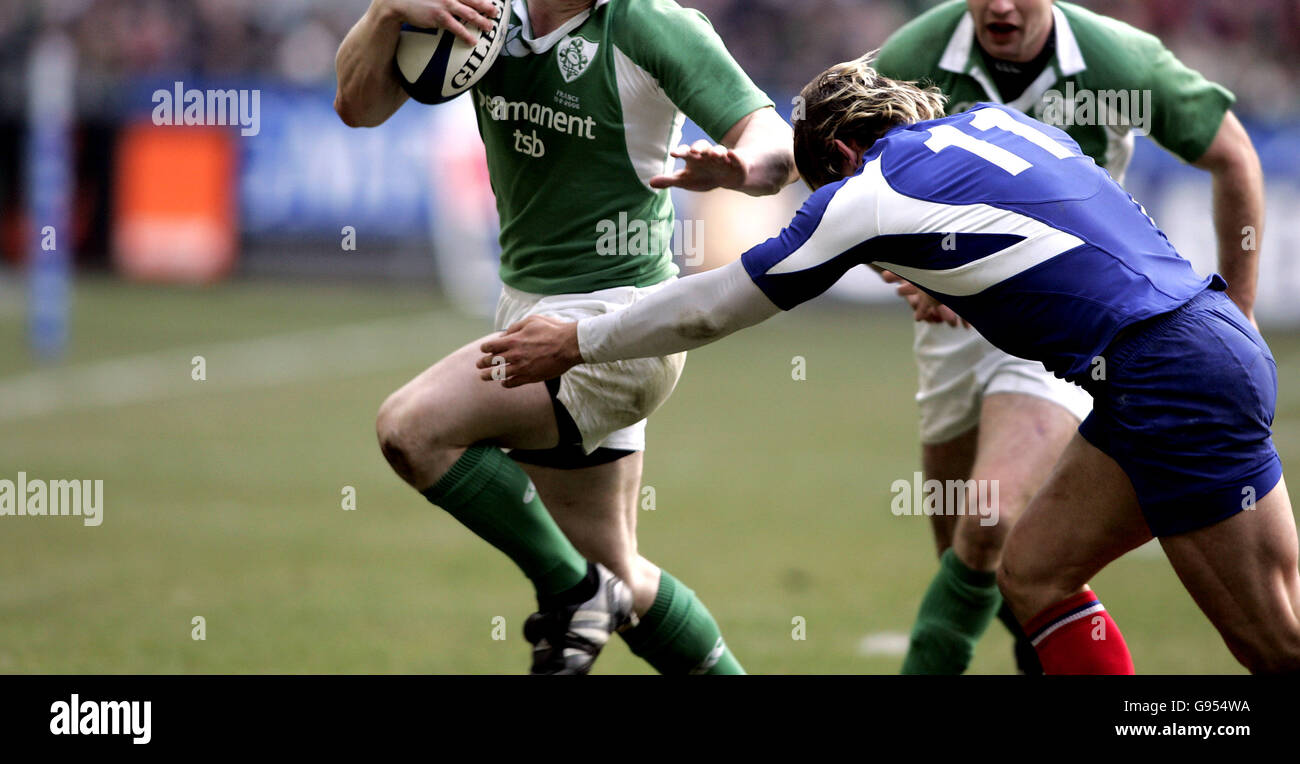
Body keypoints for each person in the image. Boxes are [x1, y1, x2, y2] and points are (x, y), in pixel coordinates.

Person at [479, 57, 1300, 674]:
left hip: (1164, 379)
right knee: (1034, 573)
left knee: (1270, 648)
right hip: (1211, 336)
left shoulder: (862, 192)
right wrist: (955, 284)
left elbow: (714, 304)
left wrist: (578, 341)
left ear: (839, 152)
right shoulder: (999, 123)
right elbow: (1059, 239)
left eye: (817, 183)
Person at [333, 0, 795, 674]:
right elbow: (358, 106)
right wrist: (389, 5)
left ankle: (569, 593)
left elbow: (773, 140)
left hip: (623, 326)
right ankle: (593, 592)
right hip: (530, 307)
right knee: (624, 573)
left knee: (412, 431)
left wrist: (741, 168)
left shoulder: (652, 22)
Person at [870, 0, 1265, 674]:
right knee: (988, 560)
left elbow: (1233, 157)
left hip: (1068, 327)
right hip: (953, 332)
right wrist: (900, 267)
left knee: (986, 522)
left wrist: (1240, 312)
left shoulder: (1116, 60)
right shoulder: (912, 59)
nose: (1001, 3)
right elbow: (844, 175)